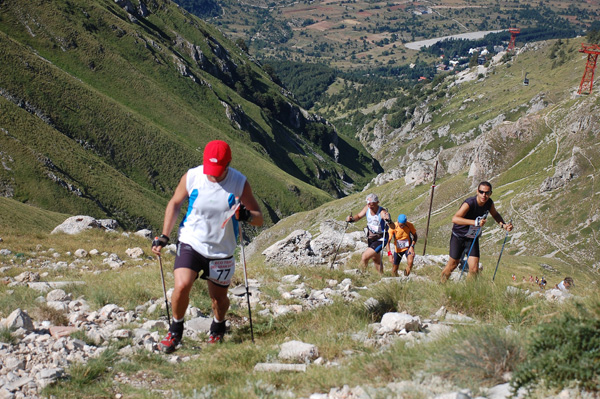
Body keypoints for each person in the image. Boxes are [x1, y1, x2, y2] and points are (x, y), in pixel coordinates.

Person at [151, 140, 263, 353]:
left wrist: (246, 215)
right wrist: (165, 236)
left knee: (219, 299)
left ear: (228, 164)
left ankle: (218, 328)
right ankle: (175, 331)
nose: (213, 175)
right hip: (191, 241)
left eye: (218, 171)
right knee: (182, 286)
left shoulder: (239, 182)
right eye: (210, 170)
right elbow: (175, 203)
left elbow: (259, 218)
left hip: (222, 250)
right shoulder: (193, 176)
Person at [441, 181, 513, 282]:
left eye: (487, 193)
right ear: (477, 192)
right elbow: (455, 219)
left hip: (472, 238)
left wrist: (503, 225)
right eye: (481, 192)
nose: (484, 195)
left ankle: (467, 293)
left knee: (474, 269)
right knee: (452, 265)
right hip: (459, 237)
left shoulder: (489, 203)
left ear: (490, 193)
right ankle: (441, 284)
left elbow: (495, 214)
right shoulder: (469, 203)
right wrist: (475, 222)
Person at [346, 193, 390, 274]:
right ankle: (381, 277)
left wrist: (388, 219)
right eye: (368, 204)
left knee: (365, 257)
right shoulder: (367, 208)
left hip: (380, 239)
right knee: (376, 259)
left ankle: (359, 275)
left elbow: (388, 220)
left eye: (372, 205)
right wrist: (351, 219)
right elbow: (358, 216)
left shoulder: (382, 212)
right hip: (371, 237)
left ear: (377, 202)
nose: (370, 206)